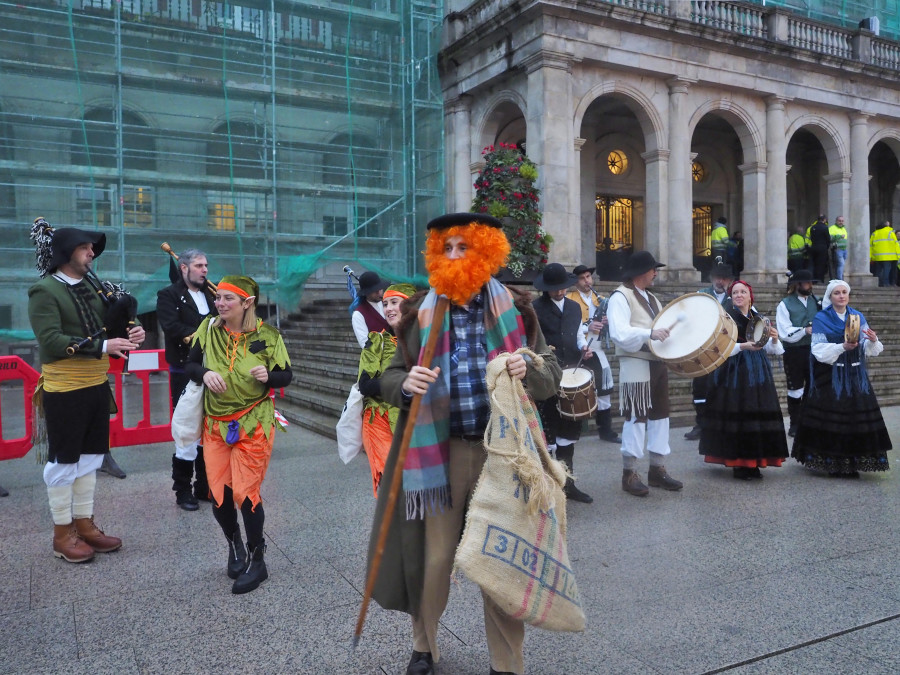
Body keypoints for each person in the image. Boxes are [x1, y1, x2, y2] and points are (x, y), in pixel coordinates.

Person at [365, 212, 561, 675]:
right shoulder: (417, 313)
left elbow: (551, 374)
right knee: (433, 559)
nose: (454, 257)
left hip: (504, 455)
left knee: (501, 562)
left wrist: (527, 370)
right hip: (441, 455)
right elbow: (389, 376)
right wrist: (405, 382)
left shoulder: (519, 311)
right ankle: (424, 646)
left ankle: (507, 662)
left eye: (464, 248)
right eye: (446, 248)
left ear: (487, 253)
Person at [28, 223, 144, 562]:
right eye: (85, 247)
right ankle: (62, 533)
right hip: (65, 389)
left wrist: (131, 333)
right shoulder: (45, 291)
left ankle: (85, 524)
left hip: (95, 384)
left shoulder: (95, 289)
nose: (92, 252)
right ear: (66, 253)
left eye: (93, 248)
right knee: (64, 460)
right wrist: (105, 344)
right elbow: (50, 341)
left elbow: (114, 325)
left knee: (92, 457)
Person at [184, 275, 292, 593]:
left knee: (246, 493)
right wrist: (205, 372)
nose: (220, 303)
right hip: (216, 424)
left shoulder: (269, 335)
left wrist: (269, 375)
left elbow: (286, 374)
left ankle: (258, 559)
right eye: (218, 298)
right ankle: (234, 545)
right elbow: (188, 365)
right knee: (219, 495)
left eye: (228, 299)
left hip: (254, 421)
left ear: (247, 303)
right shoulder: (208, 328)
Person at [792, 280, 892, 477]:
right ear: (830, 297)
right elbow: (818, 350)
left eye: (844, 292)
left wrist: (873, 340)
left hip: (855, 374)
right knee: (834, 419)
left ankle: (853, 461)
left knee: (855, 418)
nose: (841, 296)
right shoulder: (821, 318)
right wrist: (841, 347)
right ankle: (834, 462)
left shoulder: (857, 316)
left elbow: (867, 348)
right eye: (837, 293)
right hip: (831, 375)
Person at [607, 250, 683, 497]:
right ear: (642, 272)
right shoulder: (620, 296)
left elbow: (660, 331)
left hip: (656, 362)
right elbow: (618, 332)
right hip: (635, 361)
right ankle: (629, 474)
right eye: (653, 269)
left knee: (661, 416)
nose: (655, 273)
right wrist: (648, 334)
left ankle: (657, 469)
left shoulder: (652, 298)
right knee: (636, 418)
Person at [699, 280, 788, 480]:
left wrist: (774, 338)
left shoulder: (759, 319)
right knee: (738, 413)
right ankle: (739, 463)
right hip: (733, 370)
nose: (739, 295)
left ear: (750, 296)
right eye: (735, 292)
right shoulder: (725, 319)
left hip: (758, 370)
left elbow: (774, 350)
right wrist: (742, 347)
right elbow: (717, 349)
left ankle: (755, 460)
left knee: (756, 414)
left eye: (743, 292)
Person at [156, 248, 217, 511]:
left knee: (209, 429)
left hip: (212, 371)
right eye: (199, 265)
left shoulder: (211, 295)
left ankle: (204, 486)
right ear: (184, 268)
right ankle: (182, 490)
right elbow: (171, 327)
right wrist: (205, 336)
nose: (205, 270)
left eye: (206, 265)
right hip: (184, 371)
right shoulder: (169, 296)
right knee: (187, 430)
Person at [533, 263, 595, 504]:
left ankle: (568, 484)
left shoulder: (573, 307)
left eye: (562, 288)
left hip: (571, 372)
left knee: (569, 433)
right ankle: (548, 488)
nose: (559, 292)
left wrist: (584, 347)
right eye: (554, 289)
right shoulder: (535, 309)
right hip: (546, 377)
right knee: (548, 434)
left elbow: (579, 334)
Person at [356, 282, 416, 496]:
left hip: (414, 421)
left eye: (394, 302)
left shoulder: (425, 341)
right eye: (385, 304)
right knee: (391, 488)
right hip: (379, 421)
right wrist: (402, 384)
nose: (388, 308)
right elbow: (365, 385)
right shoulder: (376, 341)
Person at [565, 263, 620, 443]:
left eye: (588, 277)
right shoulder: (570, 299)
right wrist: (588, 325)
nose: (587, 281)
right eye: (582, 278)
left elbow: (615, 324)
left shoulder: (602, 299)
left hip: (597, 349)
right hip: (579, 350)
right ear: (576, 282)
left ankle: (606, 431)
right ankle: (575, 429)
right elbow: (569, 326)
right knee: (577, 390)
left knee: (604, 391)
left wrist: (607, 321)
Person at [684, 257, 733, 441]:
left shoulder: (735, 296)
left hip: (726, 349)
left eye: (724, 278)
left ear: (729, 280)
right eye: (717, 277)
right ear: (712, 277)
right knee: (701, 388)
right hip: (703, 349)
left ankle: (722, 423)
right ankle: (701, 424)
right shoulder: (701, 294)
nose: (720, 281)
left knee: (725, 387)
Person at [775, 269, 819, 436]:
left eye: (810, 283)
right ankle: (794, 423)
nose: (809, 286)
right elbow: (784, 331)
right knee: (796, 389)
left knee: (812, 387)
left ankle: (808, 420)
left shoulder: (817, 302)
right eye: (805, 283)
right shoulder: (785, 304)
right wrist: (803, 330)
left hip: (814, 349)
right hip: (794, 351)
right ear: (797, 285)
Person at [351, 271, 390, 348]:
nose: (379, 293)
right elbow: (366, 344)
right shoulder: (358, 314)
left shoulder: (389, 304)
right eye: (375, 291)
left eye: (380, 289)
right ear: (366, 293)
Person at [869, 220, 898, 287]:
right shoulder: (890, 232)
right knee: (886, 270)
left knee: (879, 270)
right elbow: (896, 244)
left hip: (877, 256)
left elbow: (871, 245)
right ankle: (886, 283)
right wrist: (898, 255)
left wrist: (871, 256)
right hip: (889, 255)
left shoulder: (874, 233)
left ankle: (880, 283)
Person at [809, 214, 831, 282]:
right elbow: (828, 239)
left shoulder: (812, 227)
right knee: (821, 264)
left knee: (814, 263)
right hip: (822, 248)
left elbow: (812, 238)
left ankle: (814, 279)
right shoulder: (824, 227)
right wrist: (827, 246)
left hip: (814, 247)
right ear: (824, 220)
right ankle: (820, 279)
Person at [829, 216, 849, 280]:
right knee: (841, 264)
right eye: (839, 221)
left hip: (844, 249)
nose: (841, 222)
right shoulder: (832, 228)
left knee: (841, 265)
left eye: (842, 221)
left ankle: (838, 278)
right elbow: (830, 238)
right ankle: (839, 280)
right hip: (837, 249)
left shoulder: (843, 229)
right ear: (836, 221)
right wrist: (839, 236)